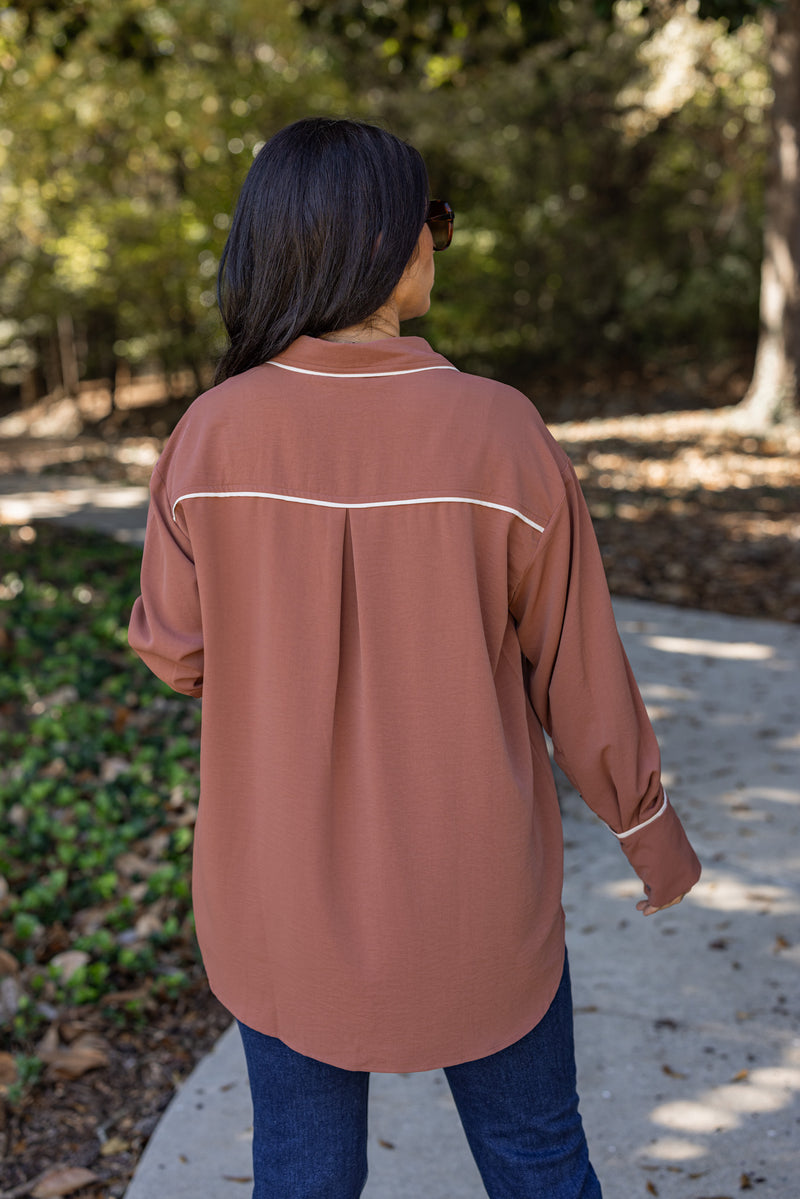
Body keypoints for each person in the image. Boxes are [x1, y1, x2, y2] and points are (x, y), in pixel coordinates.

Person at [128, 116, 701, 1199]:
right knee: (538, 1160)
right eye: (432, 216)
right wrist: (648, 831)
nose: (439, 237)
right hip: (473, 887)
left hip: (275, 891)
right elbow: (574, 671)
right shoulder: (499, 430)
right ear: (386, 242)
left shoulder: (207, 434)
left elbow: (175, 650)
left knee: (298, 1175)